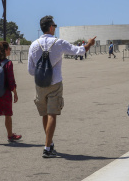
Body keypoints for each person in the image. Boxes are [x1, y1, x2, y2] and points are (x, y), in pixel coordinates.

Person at [28, 16, 96, 158]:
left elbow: (30, 70)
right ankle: (47, 148)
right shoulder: (58, 43)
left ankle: (49, 142)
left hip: (40, 84)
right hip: (55, 83)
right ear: (51, 27)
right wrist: (89, 44)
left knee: (44, 114)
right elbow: (79, 51)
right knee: (52, 113)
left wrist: (41, 74)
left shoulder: (34, 45)